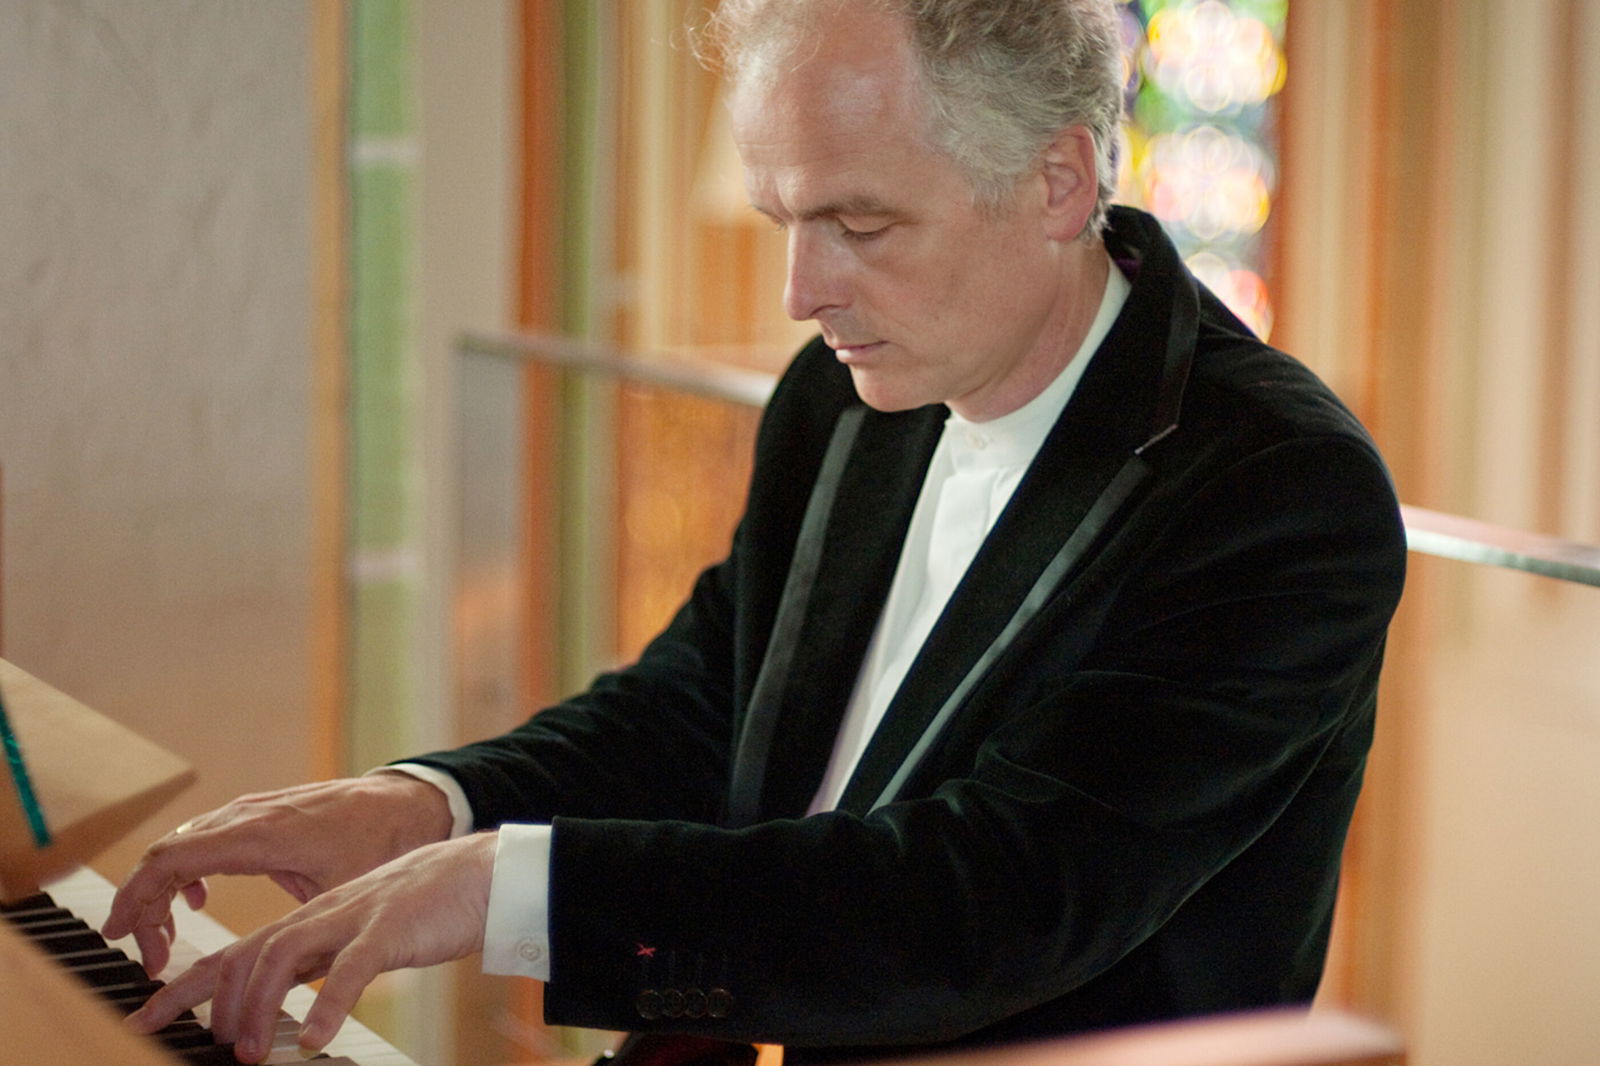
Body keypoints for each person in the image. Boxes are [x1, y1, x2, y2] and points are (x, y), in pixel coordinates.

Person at [106, 1, 1408, 1063]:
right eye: (787, 218)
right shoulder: (852, 389)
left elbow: (986, 904)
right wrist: (427, 806)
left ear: (1060, 176)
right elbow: (703, 702)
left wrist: (516, 889)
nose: (801, 291)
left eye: (860, 222)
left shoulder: (1274, 493)